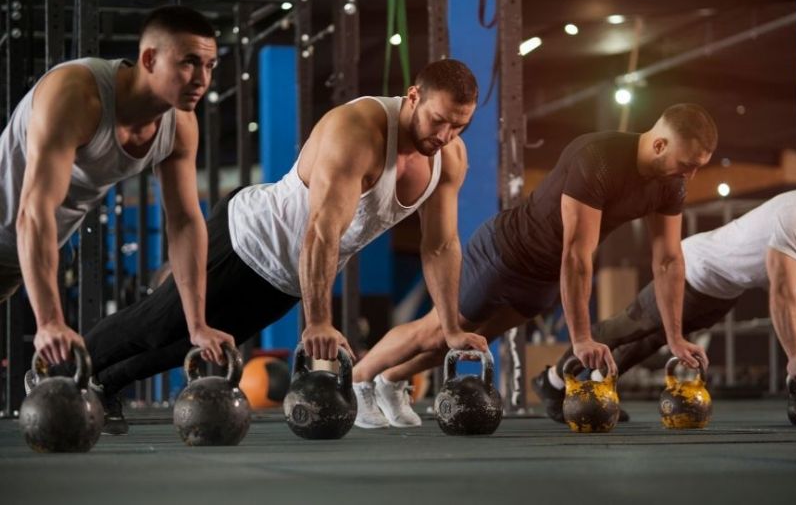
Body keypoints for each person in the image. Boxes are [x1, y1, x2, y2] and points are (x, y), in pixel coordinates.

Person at [47, 59, 489, 434]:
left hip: (288, 276)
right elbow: (322, 231)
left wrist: (450, 327)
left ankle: (104, 386)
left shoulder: (449, 158)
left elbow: (440, 245)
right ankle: (54, 378)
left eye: (460, 125)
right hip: (246, 238)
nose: (447, 134)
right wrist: (317, 321)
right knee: (157, 324)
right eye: (439, 120)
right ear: (413, 96)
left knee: (197, 345)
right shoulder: (358, 131)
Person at [352, 104, 718, 429]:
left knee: (476, 343)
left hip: (543, 277)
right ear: (659, 145)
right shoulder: (598, 158)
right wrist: (581, 339)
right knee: (439, 331)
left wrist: (674, 337)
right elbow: (576, 254)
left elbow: (669, 260)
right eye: (687, 165)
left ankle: (390, 381)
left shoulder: (671, 184)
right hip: (504, 253)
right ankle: (358, 381)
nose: (690, 176)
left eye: (698, 168)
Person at [0, 5, 234, 369]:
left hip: (18, 257)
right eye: (188, 62)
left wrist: (198, 325)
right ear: (149, 58)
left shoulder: (180, 126)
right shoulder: (76, 95)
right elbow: (34, 210)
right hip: (18, 232)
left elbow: (185, 221)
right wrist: (49, 323)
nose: (201, 79)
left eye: (210, 66)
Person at [534, 190, 796, 425]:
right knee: (623, 328)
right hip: (692, 269)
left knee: (649, 341)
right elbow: (782, 292)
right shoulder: (793, 215)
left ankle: (597, 391)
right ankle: (552, 382)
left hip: (722, 293)